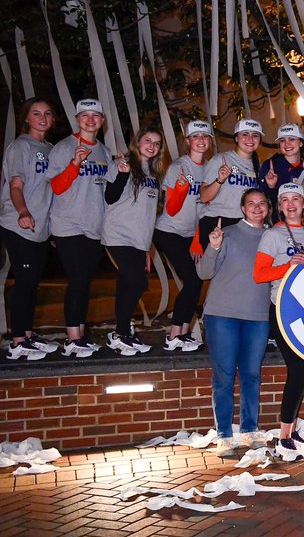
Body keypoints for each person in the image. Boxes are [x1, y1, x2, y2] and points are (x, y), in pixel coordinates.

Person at [195, 189, 272, 446]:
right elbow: (204, 272)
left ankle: (250, 429)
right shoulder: (226, 233)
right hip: (222, 315)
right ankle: (224, 434)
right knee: (224, 375)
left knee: (252, 374)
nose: (257, 207)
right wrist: (214, 247)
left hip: (258, 316)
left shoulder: (274, 237)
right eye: (251, 203)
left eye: (262, 203)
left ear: (269, 208)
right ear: (242, 208)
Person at [253, 183, 304, 452]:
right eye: (285, 200)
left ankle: (290, 430)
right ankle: (284, 436)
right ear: (279, 206)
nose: (291, 204)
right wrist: (287, 266)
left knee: (302, 374)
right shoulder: (272, 235)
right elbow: (259, 274)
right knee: (299, 371)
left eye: (296, 199)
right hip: (283, 309)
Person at [48, 99, 112, 356]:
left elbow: (108, 193)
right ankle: (73, 338)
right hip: (69, 224)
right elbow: (56, 186)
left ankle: (80, 336)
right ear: (77, 119)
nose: (90, 120)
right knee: (78, 279)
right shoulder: (64, 147)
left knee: (85, 282)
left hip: (94, 226)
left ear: (102, 121)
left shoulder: (105, 152)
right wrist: (74, 164)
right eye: (84, 115)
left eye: (95, 116)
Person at [0, 99, 60, 359]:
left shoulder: (51, 149)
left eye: (47, 113)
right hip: (18, 223)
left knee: (33, 282)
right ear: (27, 118)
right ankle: (17, 342)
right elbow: (15, 185)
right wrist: (23, 212)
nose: (42, 118)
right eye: (36, 113)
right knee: (24, 282)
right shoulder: (21, 146)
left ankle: (27, 334)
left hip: (41, 228)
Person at [102, 128, 165, 355]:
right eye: (147, 140)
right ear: (137, 142)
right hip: (119, 234)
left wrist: (146, 247)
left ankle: (123, 333)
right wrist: (121, 173)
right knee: (138, 283)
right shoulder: (124, 164)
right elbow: (110, 197)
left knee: (128, 284)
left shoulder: (153, 173)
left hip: (140, 240)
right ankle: (120, 333)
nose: (152, 146)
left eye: (157, 143)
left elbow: (147, 214)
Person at [155, 120, 213, 352]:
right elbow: (171, 208)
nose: (200, 140)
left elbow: (207, 209)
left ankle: (183, 333)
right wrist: (180, 189)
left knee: (196, 282)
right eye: (195, 136)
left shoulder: (210, 168)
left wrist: (199, 240)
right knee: (192, 281)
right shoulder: (179, 167)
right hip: (169, 231)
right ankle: (174, 334)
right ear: (188, 141)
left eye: (205, 137)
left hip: (192, 234)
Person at [200, 119, 265, 245]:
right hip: (218, 222)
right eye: (245, 134)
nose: (250, 139)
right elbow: (204, 197)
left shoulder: (259, 166)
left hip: (244, 223)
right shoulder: (221, 160)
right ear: (236, 138)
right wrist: (220, 180)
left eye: (255, 135)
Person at [259, 124, 304, 211]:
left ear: (301, 142)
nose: (287, 144)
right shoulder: (270, 165)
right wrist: (271, 187)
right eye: (282, 140)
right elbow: (262, 200)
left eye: (292, 139)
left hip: (302, 221)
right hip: (276, 222)